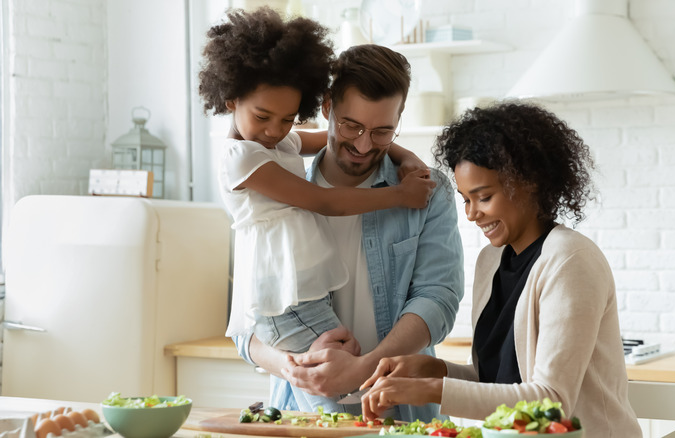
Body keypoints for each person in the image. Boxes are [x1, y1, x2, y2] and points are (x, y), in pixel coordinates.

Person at [198, 8, 438, 413]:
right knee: (338, 395)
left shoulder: (279, 142)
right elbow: (323, 201)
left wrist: (404, 152)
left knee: (342, 384)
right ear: (231, 99)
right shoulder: (241, 158)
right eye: (263, 117)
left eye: (288, 118)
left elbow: (328, 139)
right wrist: (398, 196)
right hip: (283, 297)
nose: (276, 129)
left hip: (304, 295)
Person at [358, 101, 643, 437]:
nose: (471, 214)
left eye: (484, 196)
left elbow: (550, 403)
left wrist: (433, 391)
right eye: (466, 199)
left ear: (530, 182)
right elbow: (497, 383)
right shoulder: (491, 261)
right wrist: (432, 370)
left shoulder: (570, 260)